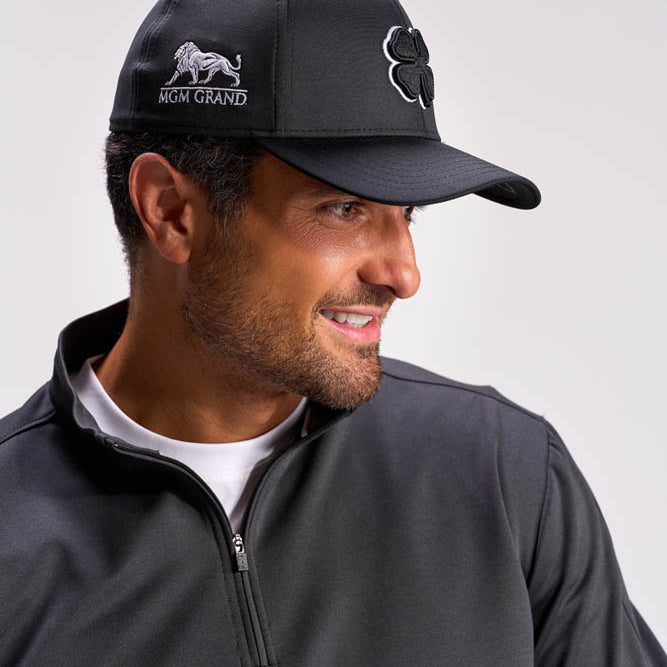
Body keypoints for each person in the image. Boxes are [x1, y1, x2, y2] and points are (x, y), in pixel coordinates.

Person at [0, 0, 665, 664]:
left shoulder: (502, 475)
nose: (404, 274)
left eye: (406, 212)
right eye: (344, 208)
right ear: (171, 210)